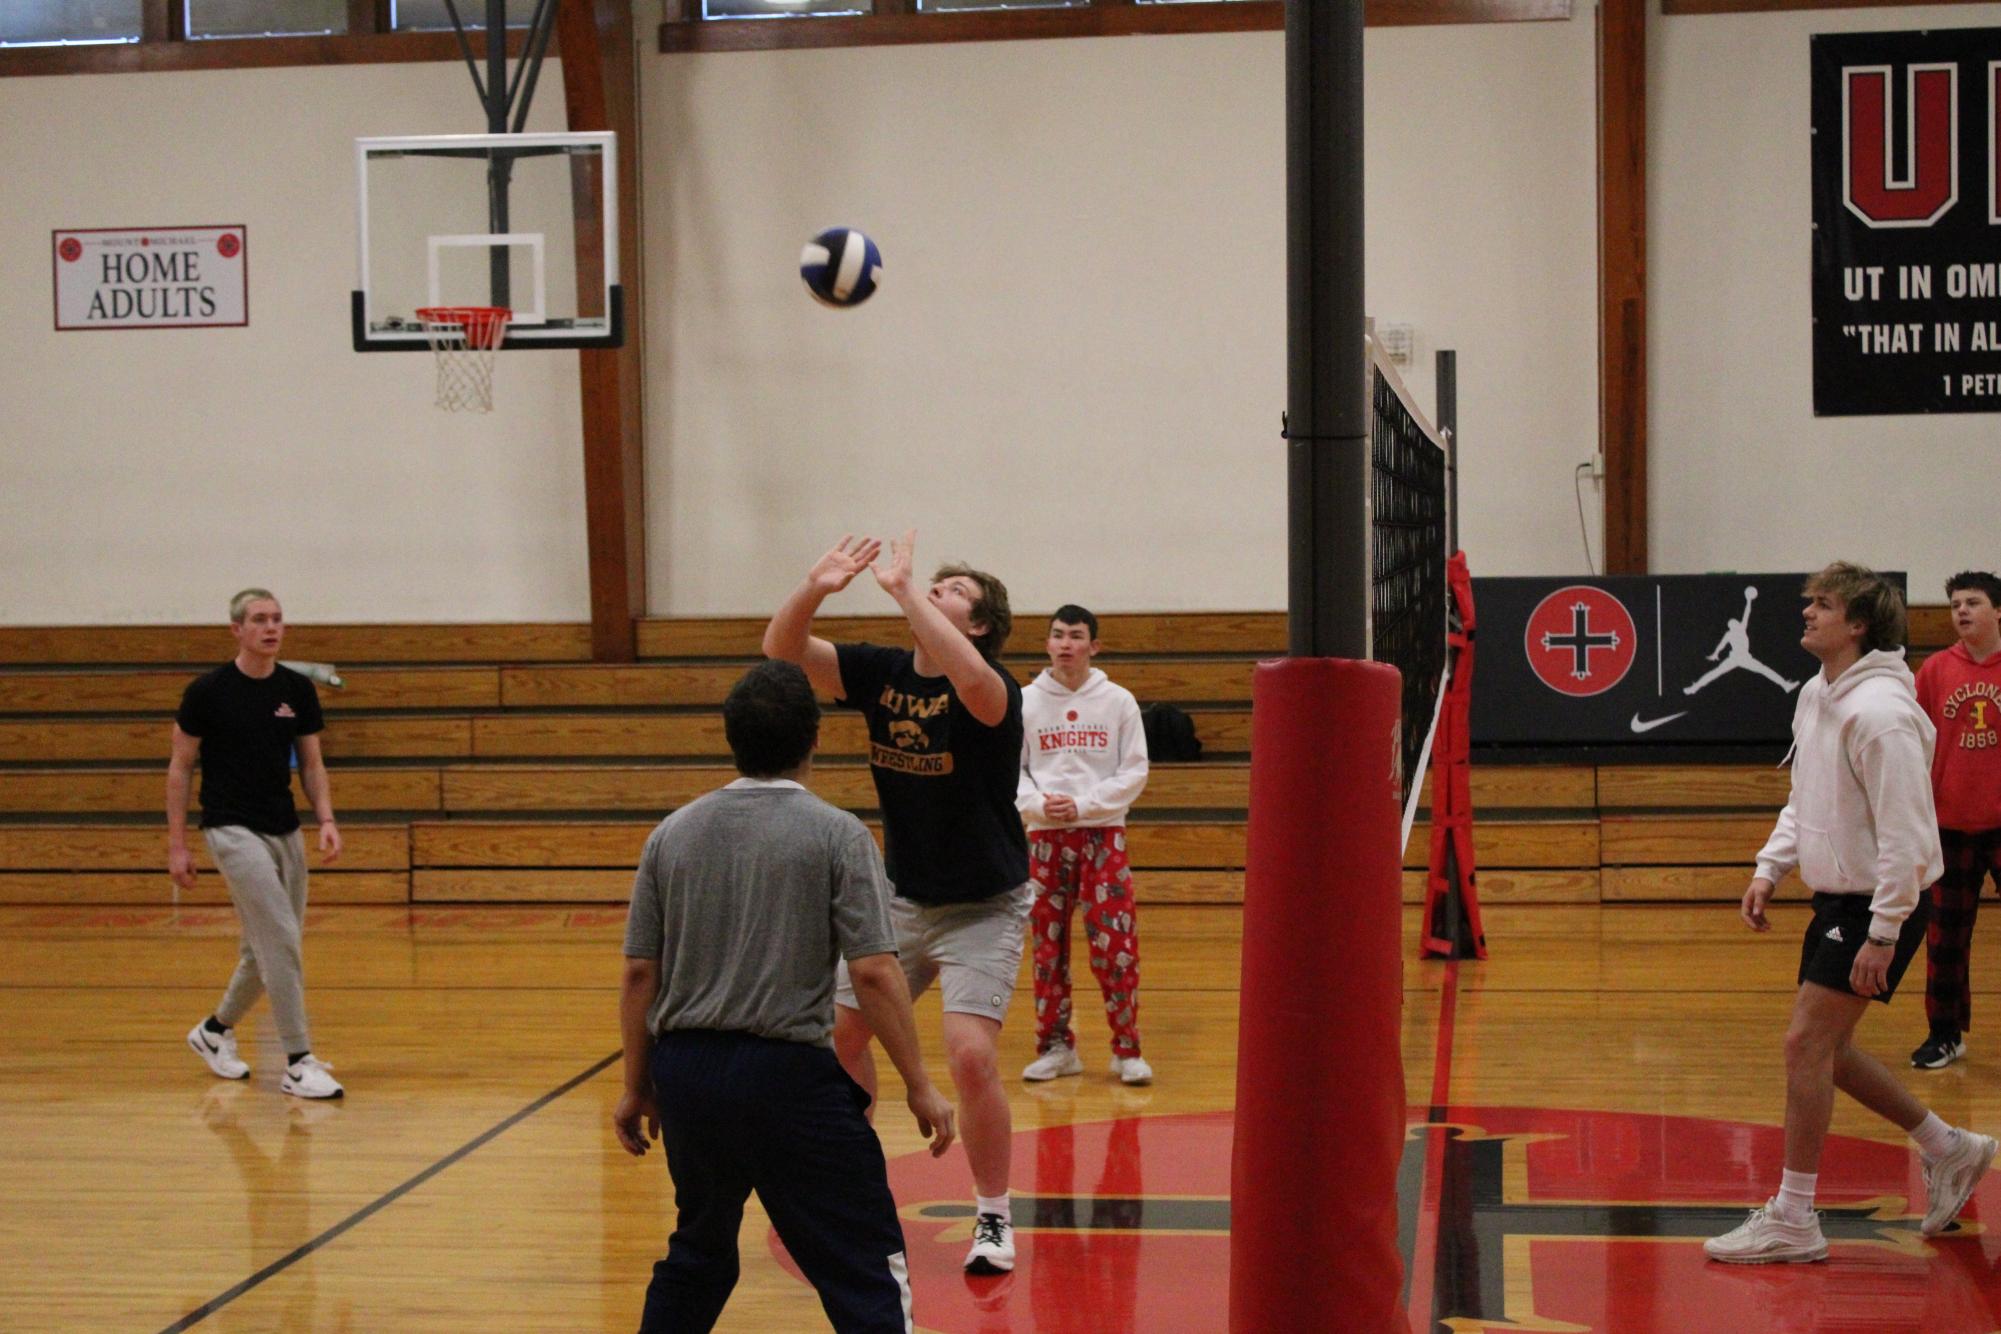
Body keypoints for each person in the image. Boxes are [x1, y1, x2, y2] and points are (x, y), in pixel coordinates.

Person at [615, 661, 955, 1333]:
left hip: (686, 1074)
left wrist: (636, 1085)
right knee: (863, 1264)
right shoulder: (837, 834)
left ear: (729, 737)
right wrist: (919, 1083)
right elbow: (876, 974)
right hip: (786, 1080)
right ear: (815, 740)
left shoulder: (671, 834)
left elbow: (638, 975)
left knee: (699, 1254)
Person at [1706, 562, 1995, 1264]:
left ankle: (1794, 1217)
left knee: (1803, 1045)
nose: (1806, 613)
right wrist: (1770, 866)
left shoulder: (1883, 715)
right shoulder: (1817, 694)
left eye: (1823, 604)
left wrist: (1883, 931)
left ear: (1858, 624)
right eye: (1809, 602)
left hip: (1877, 902)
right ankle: (1948, 1146)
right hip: (1839, 897)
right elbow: (1805, 795)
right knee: (1827, 1053)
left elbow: (1908, 835)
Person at [762, 531, 1030, 1276]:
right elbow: (781, 650)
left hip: (984, 903)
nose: (932, 592)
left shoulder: (992, 687)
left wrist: (907, 591)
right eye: (932, 587)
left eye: (952, 594)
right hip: (902, 899)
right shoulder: (879, 673)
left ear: (975, 625)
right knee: (836, 1043)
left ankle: (992, 1217)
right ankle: (852, 1193)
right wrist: (815, 586)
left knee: (971, 1057)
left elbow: (972, 682)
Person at [170, 588, 344, 1100]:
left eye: (278, 619)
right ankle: (297, 1060)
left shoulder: (297, 690)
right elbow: (180, 768)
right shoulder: (207, 692)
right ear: (237, 629)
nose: (271, 627)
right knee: (282, 941)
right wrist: (177, 844)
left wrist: (326, 819)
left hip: (284, 828)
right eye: (260, 619)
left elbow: (312, 764)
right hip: (230, 828)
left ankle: (214, 1031)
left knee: (262, 948)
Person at [1016, 605, 1152, 1086]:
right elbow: (1014, 771)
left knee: (1115, 946)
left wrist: (1086, 805)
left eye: (1076, 635)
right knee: (1047, 951)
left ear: (1094, 646)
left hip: (1102, 836)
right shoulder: (1026, 701)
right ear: (1047, 643)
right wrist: (1036, 804)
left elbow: (1135, 770)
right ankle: (1056, 1047)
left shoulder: (1118, 701)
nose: (1065, 644)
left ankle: (1127, 1048)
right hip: (1044, 841)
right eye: (1057, 635)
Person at [1911, 570, 2001, 1069]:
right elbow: (1913, 744)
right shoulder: (1935, 671)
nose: (1962, 611)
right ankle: (1944, 1034)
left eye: (1973, 602)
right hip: (1948, 826)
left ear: (1998, 611)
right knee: (1945, 938)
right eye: (1955, 604)